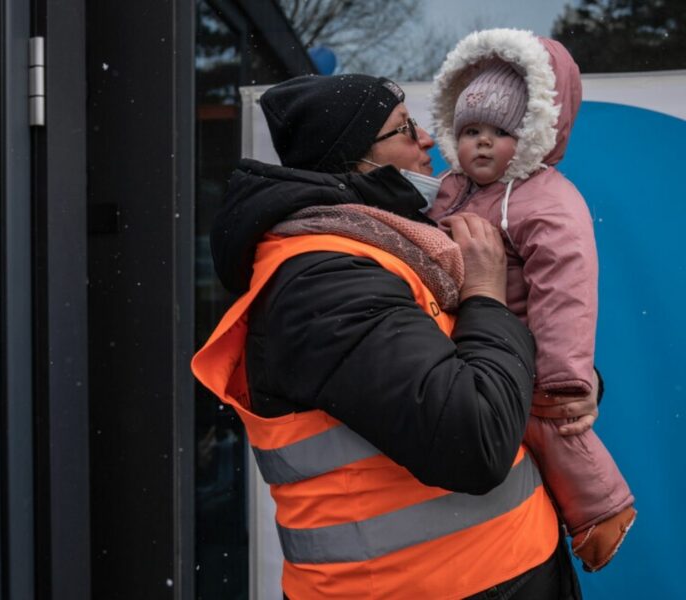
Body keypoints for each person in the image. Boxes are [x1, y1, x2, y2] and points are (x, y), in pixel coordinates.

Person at [193, 73, 587, 598]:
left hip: (498, 575)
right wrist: (488, 294)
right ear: (355, 159)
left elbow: (471, 367)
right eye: (405, 129)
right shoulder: (323, 281)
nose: (428, 140)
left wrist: (564, 389)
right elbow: (473, 438)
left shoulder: (397, 249)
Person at [427, 28, 636, 573]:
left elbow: (566, 290)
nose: (482, 143)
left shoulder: (546, 200)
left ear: (535, 131)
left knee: (554, 426)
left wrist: (565, 373)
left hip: (527, 346)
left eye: (502, 131)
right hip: (475, 344)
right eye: (470, 130)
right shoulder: (451, 188)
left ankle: (603, 509)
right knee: (519, 437)